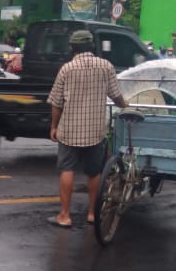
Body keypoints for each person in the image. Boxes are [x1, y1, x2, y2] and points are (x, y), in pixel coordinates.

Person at [46, 29, 127, 228]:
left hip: (69, 130)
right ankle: (92, 213)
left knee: (67, 169)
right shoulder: (106, 66)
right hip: (95, 130)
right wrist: (125, 105)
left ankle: (65, 215)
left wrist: (54, 126)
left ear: (72, 48)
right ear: (92, 46)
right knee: (94, 172)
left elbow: (56, 102)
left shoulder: (67, 69)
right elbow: (116, 95)